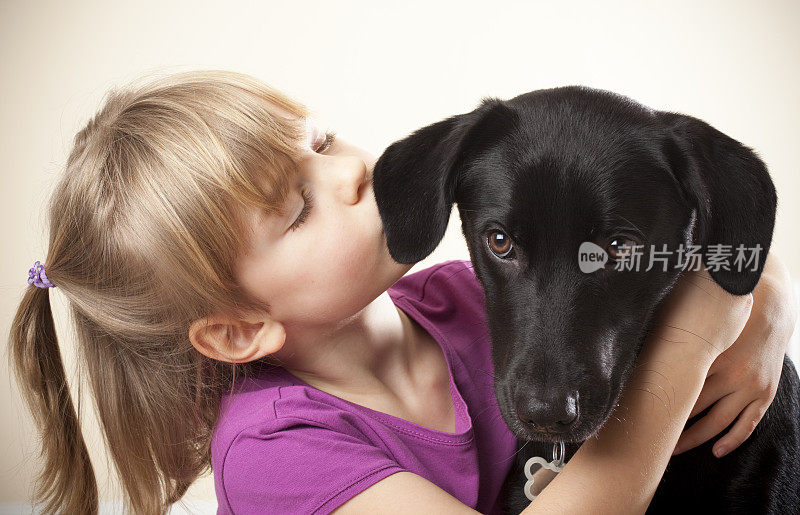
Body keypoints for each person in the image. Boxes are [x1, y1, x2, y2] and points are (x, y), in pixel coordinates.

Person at [7, 70, 797, 515]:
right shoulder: (275, 453)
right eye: (297, 208)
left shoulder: (463, 298)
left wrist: (766, 294)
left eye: (319, 143)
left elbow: (693, 250)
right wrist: (695, 340)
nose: (350, 170)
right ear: (241, 330)